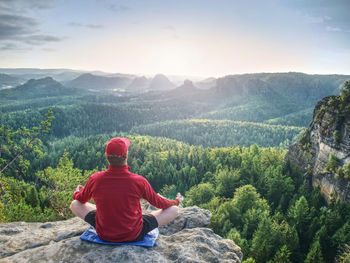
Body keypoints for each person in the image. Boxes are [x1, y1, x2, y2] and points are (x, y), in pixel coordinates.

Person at [70, 137, 184, 242]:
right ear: (126, 156)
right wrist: (176, 201)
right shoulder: (138, 181)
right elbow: (159, 203)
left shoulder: (95, 179)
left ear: (106, 156)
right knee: (174, 210)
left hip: (104, 233)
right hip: (133, 234)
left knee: (75, 204)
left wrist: (76, 193)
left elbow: (80, 199)